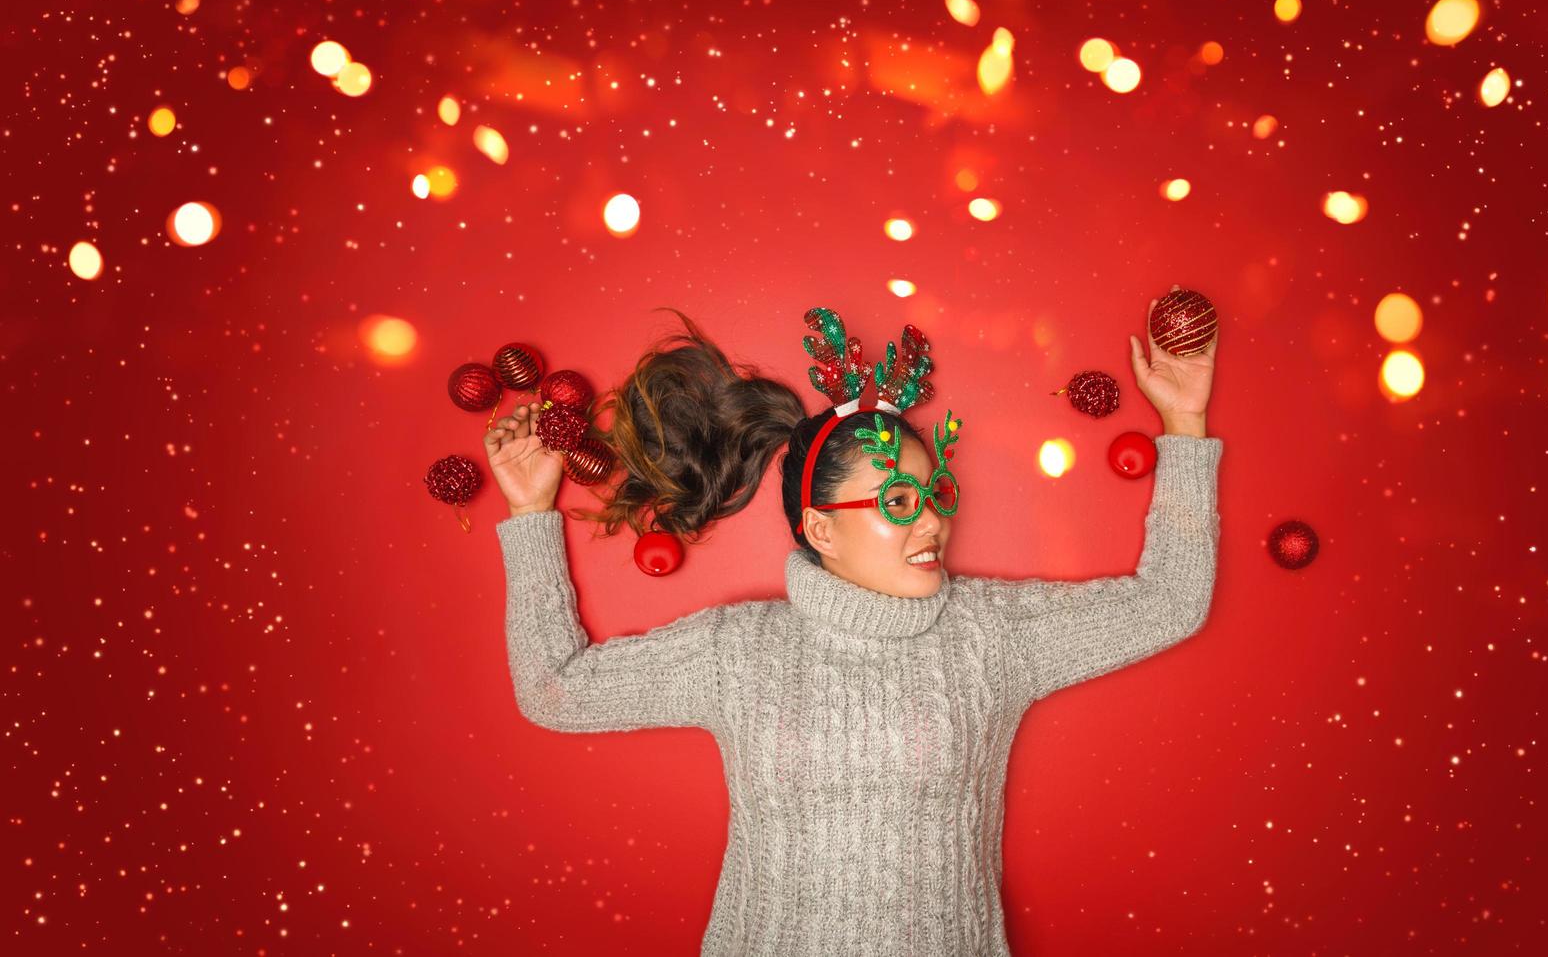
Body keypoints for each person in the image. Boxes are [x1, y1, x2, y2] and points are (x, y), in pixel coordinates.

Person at [483, 305, 1222, 956]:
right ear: (819, 530)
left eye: (935, 493)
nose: (932, 518)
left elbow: (1168, 602)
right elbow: (556, 690)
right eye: (898, 499)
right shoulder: (740, 652)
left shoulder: (990, 635)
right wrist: (529, 513)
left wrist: (1185, 421)